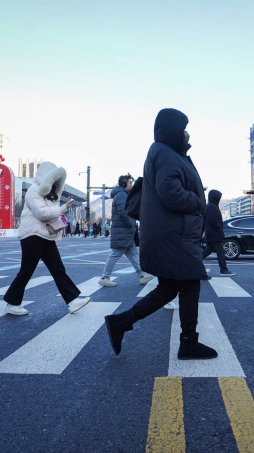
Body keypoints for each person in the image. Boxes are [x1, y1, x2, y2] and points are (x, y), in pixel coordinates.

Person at [105, 108, 217, 360]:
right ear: (173, 130)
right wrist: (200, 202)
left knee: (167, 289)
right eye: (183, 128)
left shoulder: (167, 152)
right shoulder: (165, 153)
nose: (187, 134)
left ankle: (121, 322)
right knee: (189, 285)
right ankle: (188, 344)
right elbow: (170, 193)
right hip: (173, 235)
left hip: (170, 233)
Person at [2, 161, 90, 316]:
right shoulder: (33, 190)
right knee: (27, 271)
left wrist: (60, 206)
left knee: (58, 269)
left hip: (46, 236)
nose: (55, 182)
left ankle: (72, 301)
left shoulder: (49, 194)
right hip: (32, 236)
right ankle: (12, 303)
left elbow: (50, 212)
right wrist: (63, 208)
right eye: (53, 178)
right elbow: (42, 213)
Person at [98, 175, 155, 287]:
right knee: (115, 254)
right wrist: (131, 225)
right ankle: (104, 277)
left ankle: (142, 276)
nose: (131, 185)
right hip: (123, 230)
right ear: (124, 184)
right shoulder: (121, 195)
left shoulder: (122, 194)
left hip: (125, 231)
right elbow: (123, 213)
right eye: (130, 182)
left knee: (133, 254)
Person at [201, 189, 234, 276]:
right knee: (220, 252)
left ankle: (193, 262)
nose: (219, 199)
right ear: (215, 197)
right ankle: (223, 270)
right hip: (215, 234)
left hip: (211, 234)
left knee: (208, 251)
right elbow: (213, 220)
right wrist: (219, 229)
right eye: (218, 197)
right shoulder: (212, 206)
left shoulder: (210, 205)